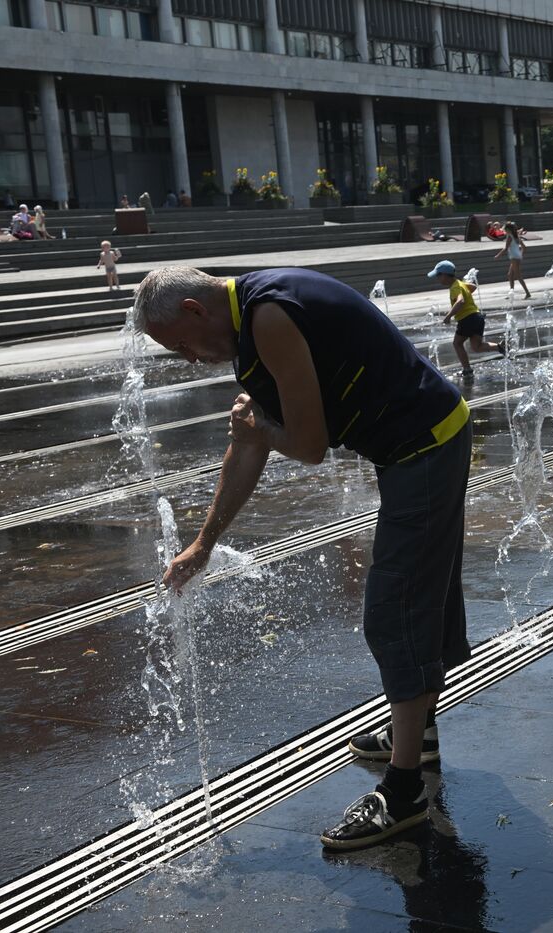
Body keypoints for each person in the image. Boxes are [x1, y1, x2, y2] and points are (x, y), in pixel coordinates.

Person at [132, 265, 473, 851]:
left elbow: (307, 446)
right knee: (420, 598)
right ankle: (418, 736)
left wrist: (262, 430)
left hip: (425, 448)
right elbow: (247, 444)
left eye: (182, 345)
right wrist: (202, 546)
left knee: (395, 611)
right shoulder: (254, 326)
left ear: (194, 310)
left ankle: (405, 789)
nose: (189, 359)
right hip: (419, 446)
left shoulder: (270, 316)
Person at [429, 259, 505, 382]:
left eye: (438, 276)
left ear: (444, 275)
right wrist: (464, 289)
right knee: (477, 346)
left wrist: (448, 316)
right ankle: (500, 347)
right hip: (477, 317)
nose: (437, 279)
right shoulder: (460, 284)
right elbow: (473, 287)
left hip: (467, 319)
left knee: (457, 343)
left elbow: (460, 301)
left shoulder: (455, 287)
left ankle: (467, 370)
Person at [493, 221, 532, 300]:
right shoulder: (516, 236)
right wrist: (520, 254)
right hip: (516, 257)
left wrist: (498, 256)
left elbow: (506, 248)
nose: (505, 231)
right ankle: (511, 293)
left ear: (509, 230)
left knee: (518, 276)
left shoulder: (510, 236)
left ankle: (527, 293)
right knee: (510, 275)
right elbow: (524, 248)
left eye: (505, 229)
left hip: (514, 257)